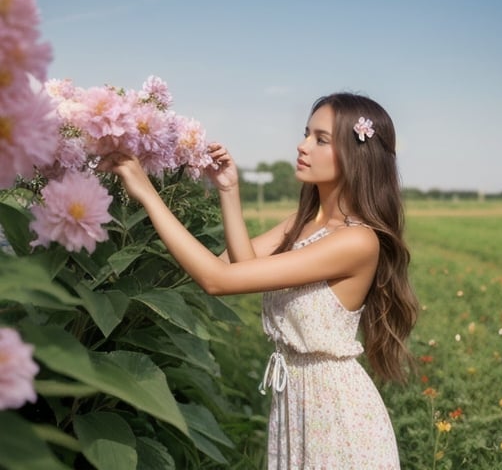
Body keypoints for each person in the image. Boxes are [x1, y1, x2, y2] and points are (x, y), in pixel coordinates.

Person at [101, 92, 419, 469]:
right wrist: (228, 190)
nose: (302, 146)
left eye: (320, 139)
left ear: (357, 154)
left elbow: (217, 279)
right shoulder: (306, 222)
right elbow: (235, 264)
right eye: (306, 133)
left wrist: (147, 194)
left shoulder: (356, 241)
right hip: (295, 405)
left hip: (336, 416)